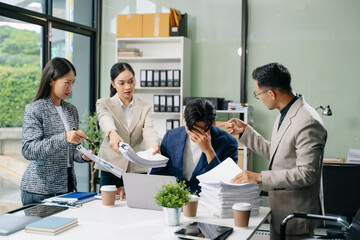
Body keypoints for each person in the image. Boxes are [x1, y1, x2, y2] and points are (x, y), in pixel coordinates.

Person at [220, 63, 327, 239]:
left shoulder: (308, 121)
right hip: (280, 210)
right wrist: (245, 131)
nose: (259, 98)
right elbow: (278, 152)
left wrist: (259, 177)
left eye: (258, 94)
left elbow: (307, 173)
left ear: (272, 93)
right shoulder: (284, 113)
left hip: (296, 215)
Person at [21, 57, 92, 205]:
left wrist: (83, 156)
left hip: (67, 188)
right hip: (39, 191)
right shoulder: (35, 109)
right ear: (51, 80)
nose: (70, 88)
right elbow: (29, 150)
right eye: (67, 82)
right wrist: (64, 137)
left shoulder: (71, 110)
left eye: (73, 83)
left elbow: (70, 151)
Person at [96, 63, 160, 198]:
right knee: (109, 207)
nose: (128, 87)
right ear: (113, 84)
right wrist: (112, 133)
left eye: (131, 81)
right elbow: (105, 119)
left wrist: (154, 146)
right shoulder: (104, 103)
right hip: (111, 167)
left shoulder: (145, 106)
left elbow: (148, 129)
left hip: (137, 167)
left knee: (136, 205)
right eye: (122, 83)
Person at [151, 98, 238, 194]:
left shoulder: (228, 142)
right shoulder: (171, 137)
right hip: (173, 199)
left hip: (207, 200)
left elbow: (226, 182)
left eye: (201, 130)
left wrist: (209, 151)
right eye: (192, 129)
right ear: (184, 118)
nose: (195, 135)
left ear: (212, 122)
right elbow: (157, 175)